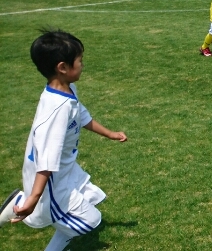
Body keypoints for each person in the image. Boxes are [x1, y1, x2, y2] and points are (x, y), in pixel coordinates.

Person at [2, 30, 127, 251]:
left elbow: (81, 115)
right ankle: (18, 204)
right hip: (49, 178)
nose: (83, 65)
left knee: (89, 199)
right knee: (89, 219)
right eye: (80, 61)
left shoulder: (67, 91)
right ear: (62, 68)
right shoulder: (56, 110)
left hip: (66, 169)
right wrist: (34, 197)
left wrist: (110, 133)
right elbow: (47, 157)